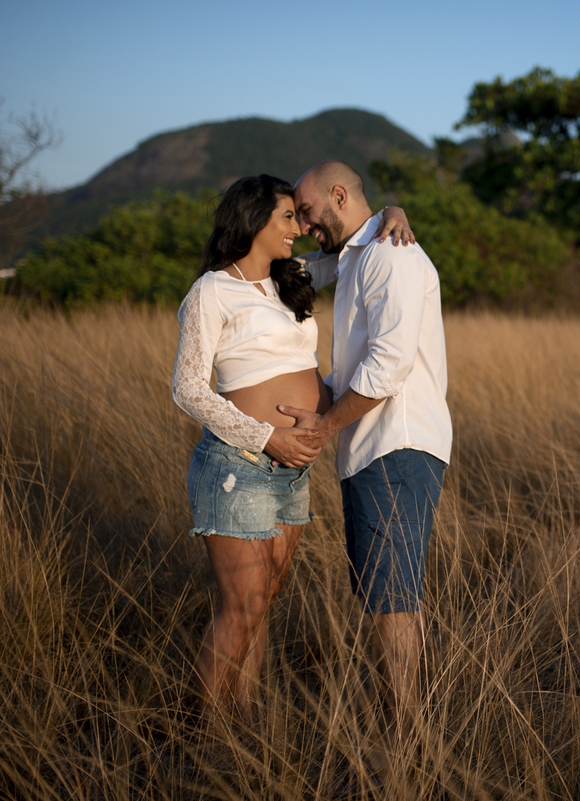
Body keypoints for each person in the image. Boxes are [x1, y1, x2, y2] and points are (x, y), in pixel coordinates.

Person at [170, 174, 413, 717]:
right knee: (242, 608)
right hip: (240, 464)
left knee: (263, 605)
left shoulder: (292, 277)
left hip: (292, 471)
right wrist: (267, 437)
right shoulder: (212, 290)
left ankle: (244, 721)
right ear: (253, 220)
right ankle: (197, 736)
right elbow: (187, 389)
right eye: (287, 217)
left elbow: (353, 248)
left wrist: (391, 212)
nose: (299, 229)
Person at [280, 160, 452, 747]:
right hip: (373, 449)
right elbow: (297, 269)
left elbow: (389, 367)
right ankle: (407, 733)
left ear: (337, 195)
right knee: (389, 598)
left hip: (395, 445)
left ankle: (402, 742)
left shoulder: (390, 256)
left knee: (393, 604)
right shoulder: (360, 252)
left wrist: (324, 425)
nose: (304, 226)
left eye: (306, 212)